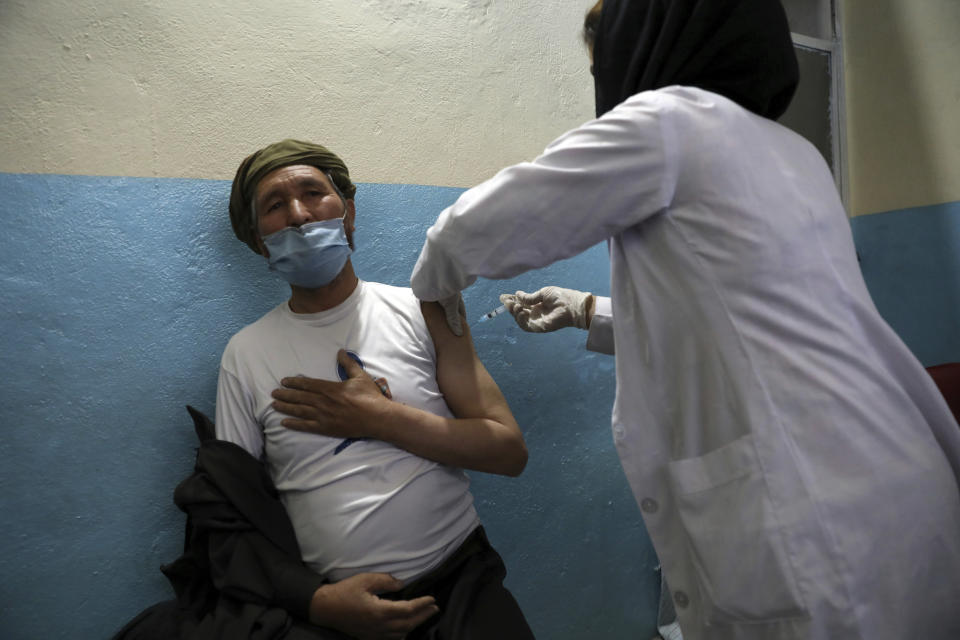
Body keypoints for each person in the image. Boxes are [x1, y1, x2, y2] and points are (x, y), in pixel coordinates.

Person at [409, 1, 960, 639]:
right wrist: (588, 311)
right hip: (892, 475)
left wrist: (430, 283)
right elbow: (744, 323)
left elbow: (480, 229)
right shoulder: (794, 152)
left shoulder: (667, 121)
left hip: (810, 511)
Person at [216, 138, 534, 639]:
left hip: (464, 590)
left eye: (313, 193)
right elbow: (232, 516)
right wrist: (316, 601)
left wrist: (383, 419)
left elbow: (509, 452)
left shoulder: (424, 309)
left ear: (349, 213)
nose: (298, 215)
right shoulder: (245, 355)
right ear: (258, 241)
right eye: (275, 206)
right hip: (339, 617)